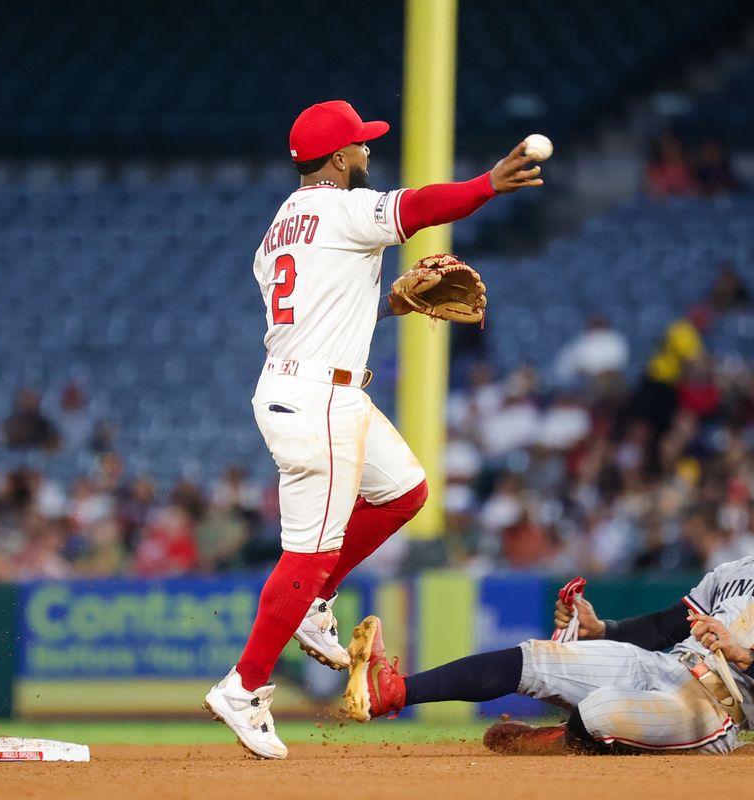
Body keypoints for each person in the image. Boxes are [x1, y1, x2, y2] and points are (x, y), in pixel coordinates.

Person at [202, 99, 543, 760]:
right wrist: (486, 185)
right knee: (307, 553)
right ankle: (244, 686)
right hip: (319, 401)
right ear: (336, 158)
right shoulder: (344, 208)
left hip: (311, 384)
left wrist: (393, 301)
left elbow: (323, 305)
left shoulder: (281, 225)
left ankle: (314, 600)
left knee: (407, 491)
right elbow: (420, 207)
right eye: (359, 145)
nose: (367, 152)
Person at [342, 460, 754, 755]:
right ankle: (393, 691)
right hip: (662, 665)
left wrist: (744, 655)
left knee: (598, 712)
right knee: (535, 657)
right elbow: (667, 625)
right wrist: (601, 629)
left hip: (714, 708)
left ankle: (552, 743)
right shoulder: (740, 568)